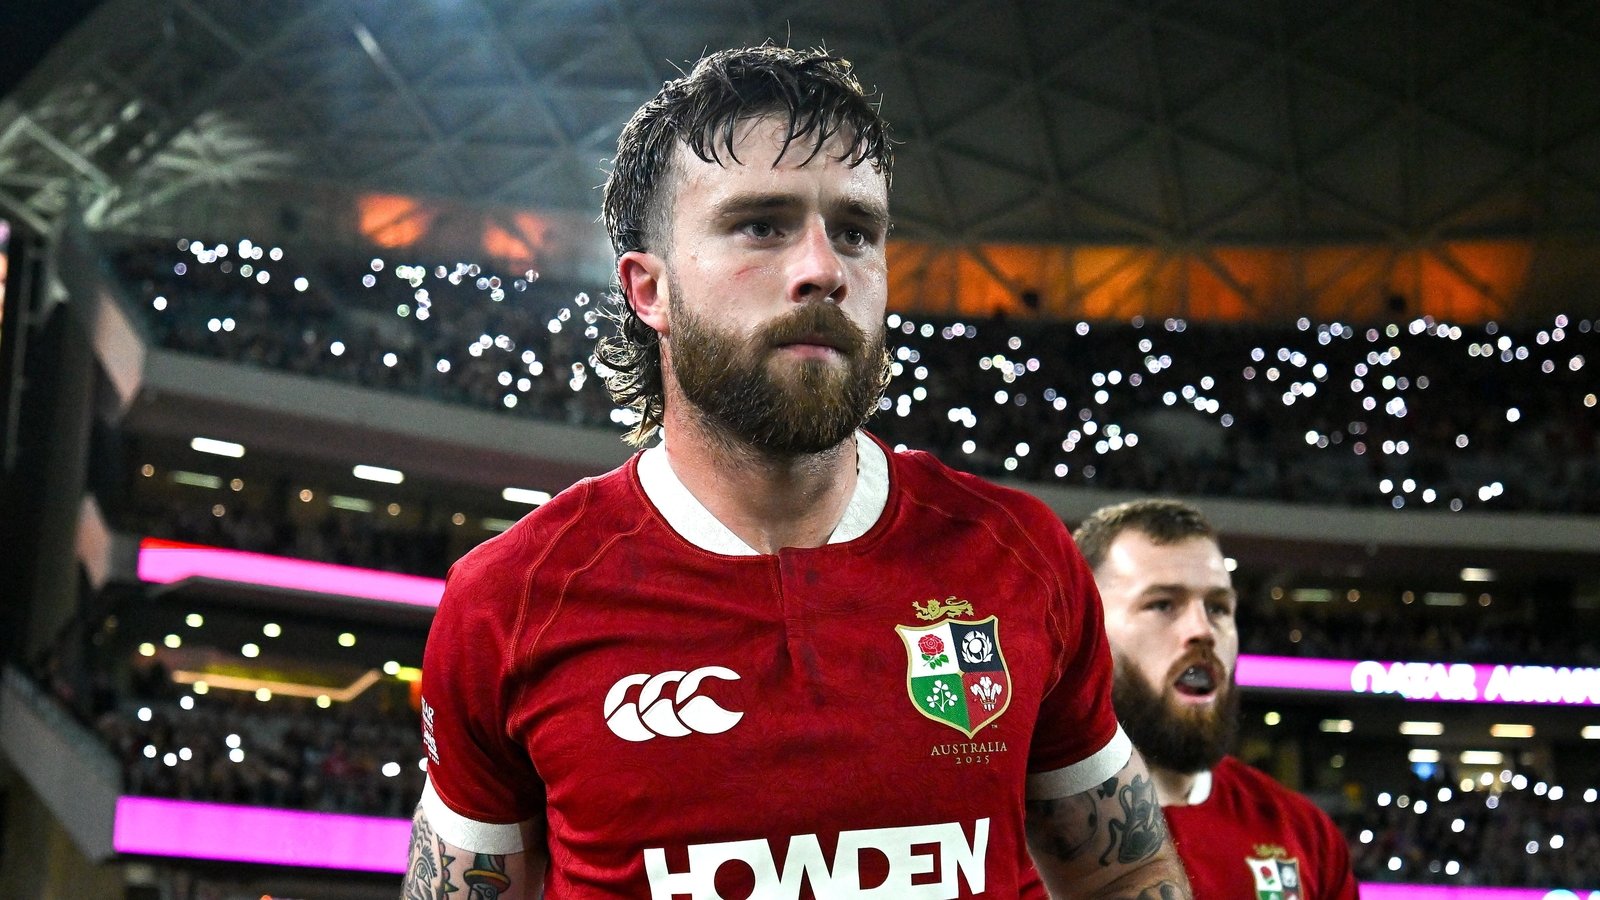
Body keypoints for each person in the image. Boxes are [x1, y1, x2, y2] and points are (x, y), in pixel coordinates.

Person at [402, 45, 1190, 899]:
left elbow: (1126, 869)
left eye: (855, 232)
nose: (823, 271)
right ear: (648, 290)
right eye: (762, 225)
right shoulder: (510, 602)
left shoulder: (1017, 553)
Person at [1073, 499, 1359, 900]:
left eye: (1218, 608)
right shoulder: (1007, 829)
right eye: (1162, 604)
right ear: (1081, 629)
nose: (1203, 630)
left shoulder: (1306, 837)